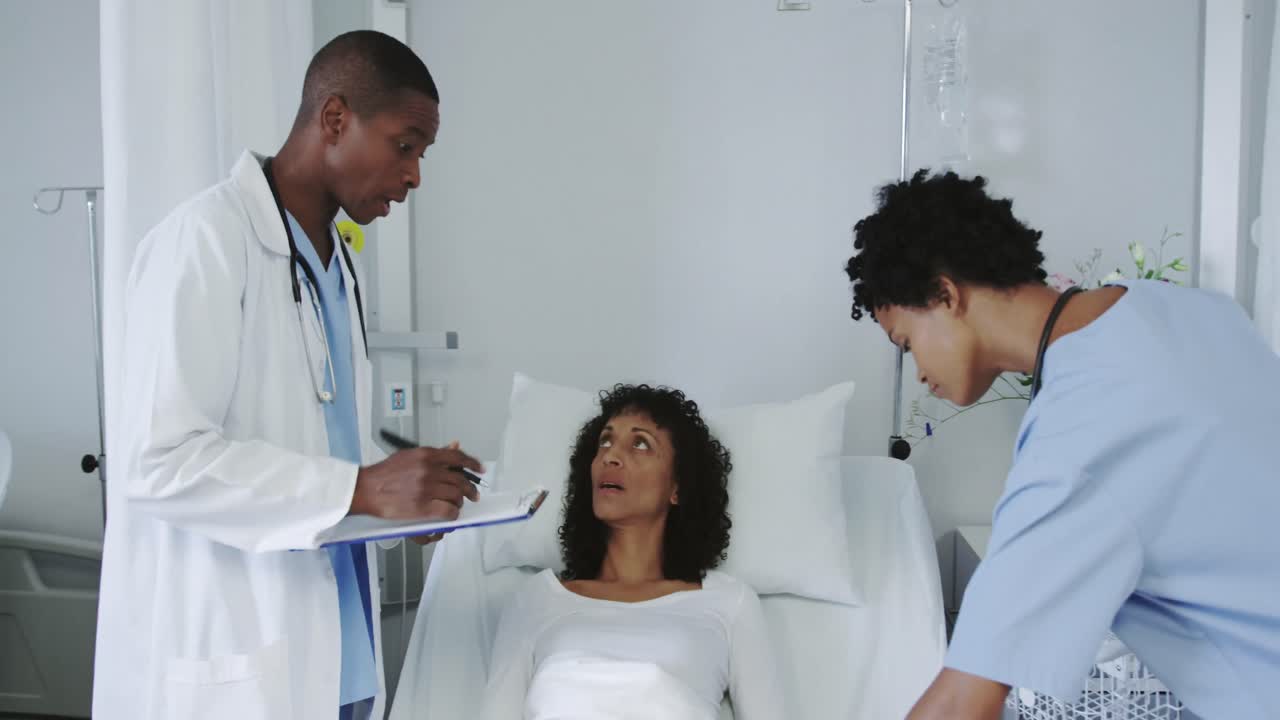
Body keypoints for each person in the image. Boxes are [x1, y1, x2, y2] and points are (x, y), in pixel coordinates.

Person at [92, 31, 483, 720]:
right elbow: (157, 461)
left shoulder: (337, 267)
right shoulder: (206, 242)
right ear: (335, 119)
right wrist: (364, 485)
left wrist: (399, 504)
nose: (415, 174)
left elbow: (320, 456)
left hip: (338, 658)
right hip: (240, 654)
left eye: (422, 153)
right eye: (405, 144)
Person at [843, 169, 1280, 720]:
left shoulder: (1078, 438)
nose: (919, 373)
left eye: (906, 343)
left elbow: (963, 703)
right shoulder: (1189, 311)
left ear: (945, 294)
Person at [479, 384, 787, 720]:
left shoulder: (730, 604)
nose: (611, 455)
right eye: (605, 441)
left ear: (677, 487)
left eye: (640, 444)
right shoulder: (535, 600)